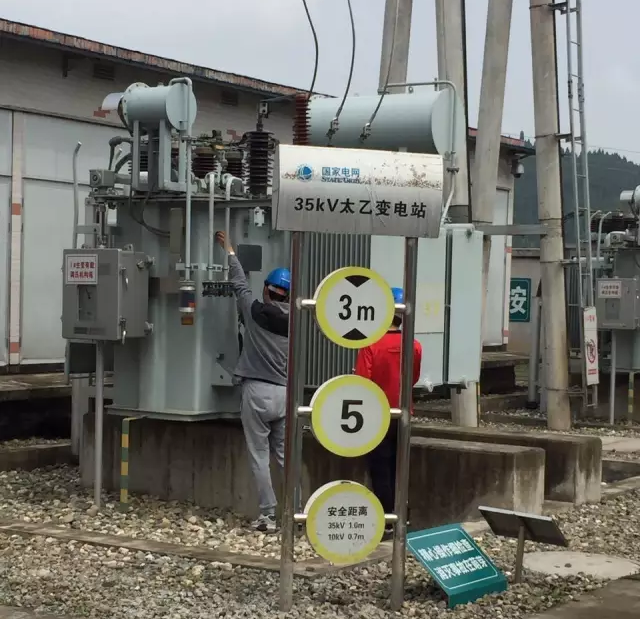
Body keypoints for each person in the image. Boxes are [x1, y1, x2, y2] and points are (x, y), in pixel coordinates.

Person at [215, 231, 290, 533]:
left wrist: (230, 251)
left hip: (256, 392)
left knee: (260, 456)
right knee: (285, 457)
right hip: (284, 394)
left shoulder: (254, 311)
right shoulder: (296, 321)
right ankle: (298, 513)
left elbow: (239, 284)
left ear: (267, 290)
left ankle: (268, 516)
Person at [354, 287, 422, 539]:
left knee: (380, 468)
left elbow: (363, 382)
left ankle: (386, 521)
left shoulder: (370, 345)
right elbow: (413, 378)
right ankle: (402, 517)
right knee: (399, 466)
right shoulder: (414, 346)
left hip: (376, 415)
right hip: (403, 413)